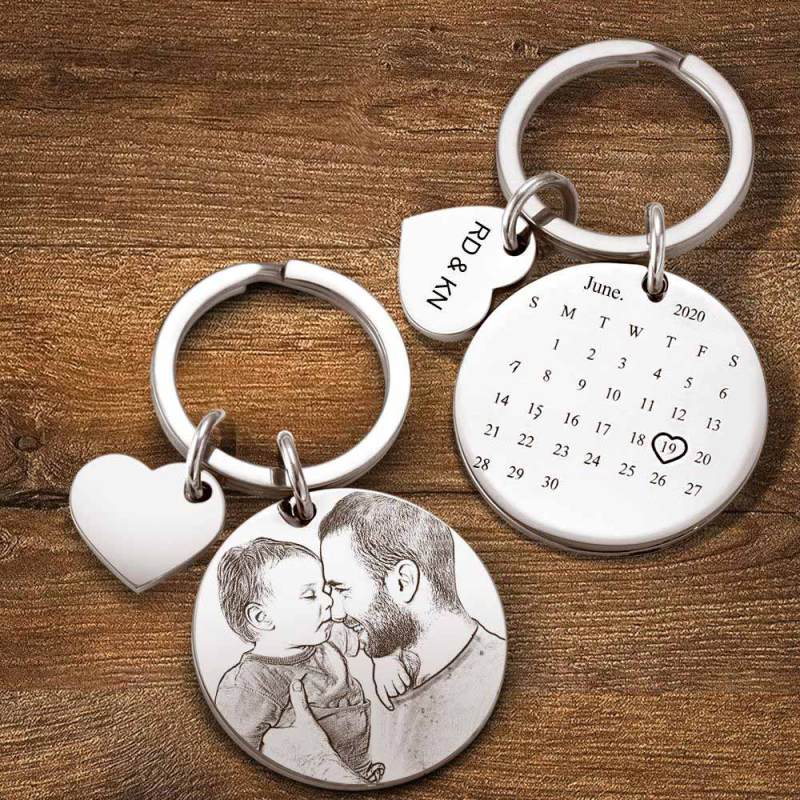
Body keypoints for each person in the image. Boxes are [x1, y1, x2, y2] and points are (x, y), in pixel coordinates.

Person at [263, 492, 506, 782]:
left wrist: (319, 765)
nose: (335, 612)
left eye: (342, 590)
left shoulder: (487, 688)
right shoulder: (386, 659)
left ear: (404, 582)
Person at [214, 537, 407, 783]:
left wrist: (385, 658)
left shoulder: (329, 635)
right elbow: (234, 758)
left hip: (358, 772)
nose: (328, 601)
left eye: (325, 590)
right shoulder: (248, 685)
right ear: (262, 617)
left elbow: (376, 636)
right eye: (310, 595)